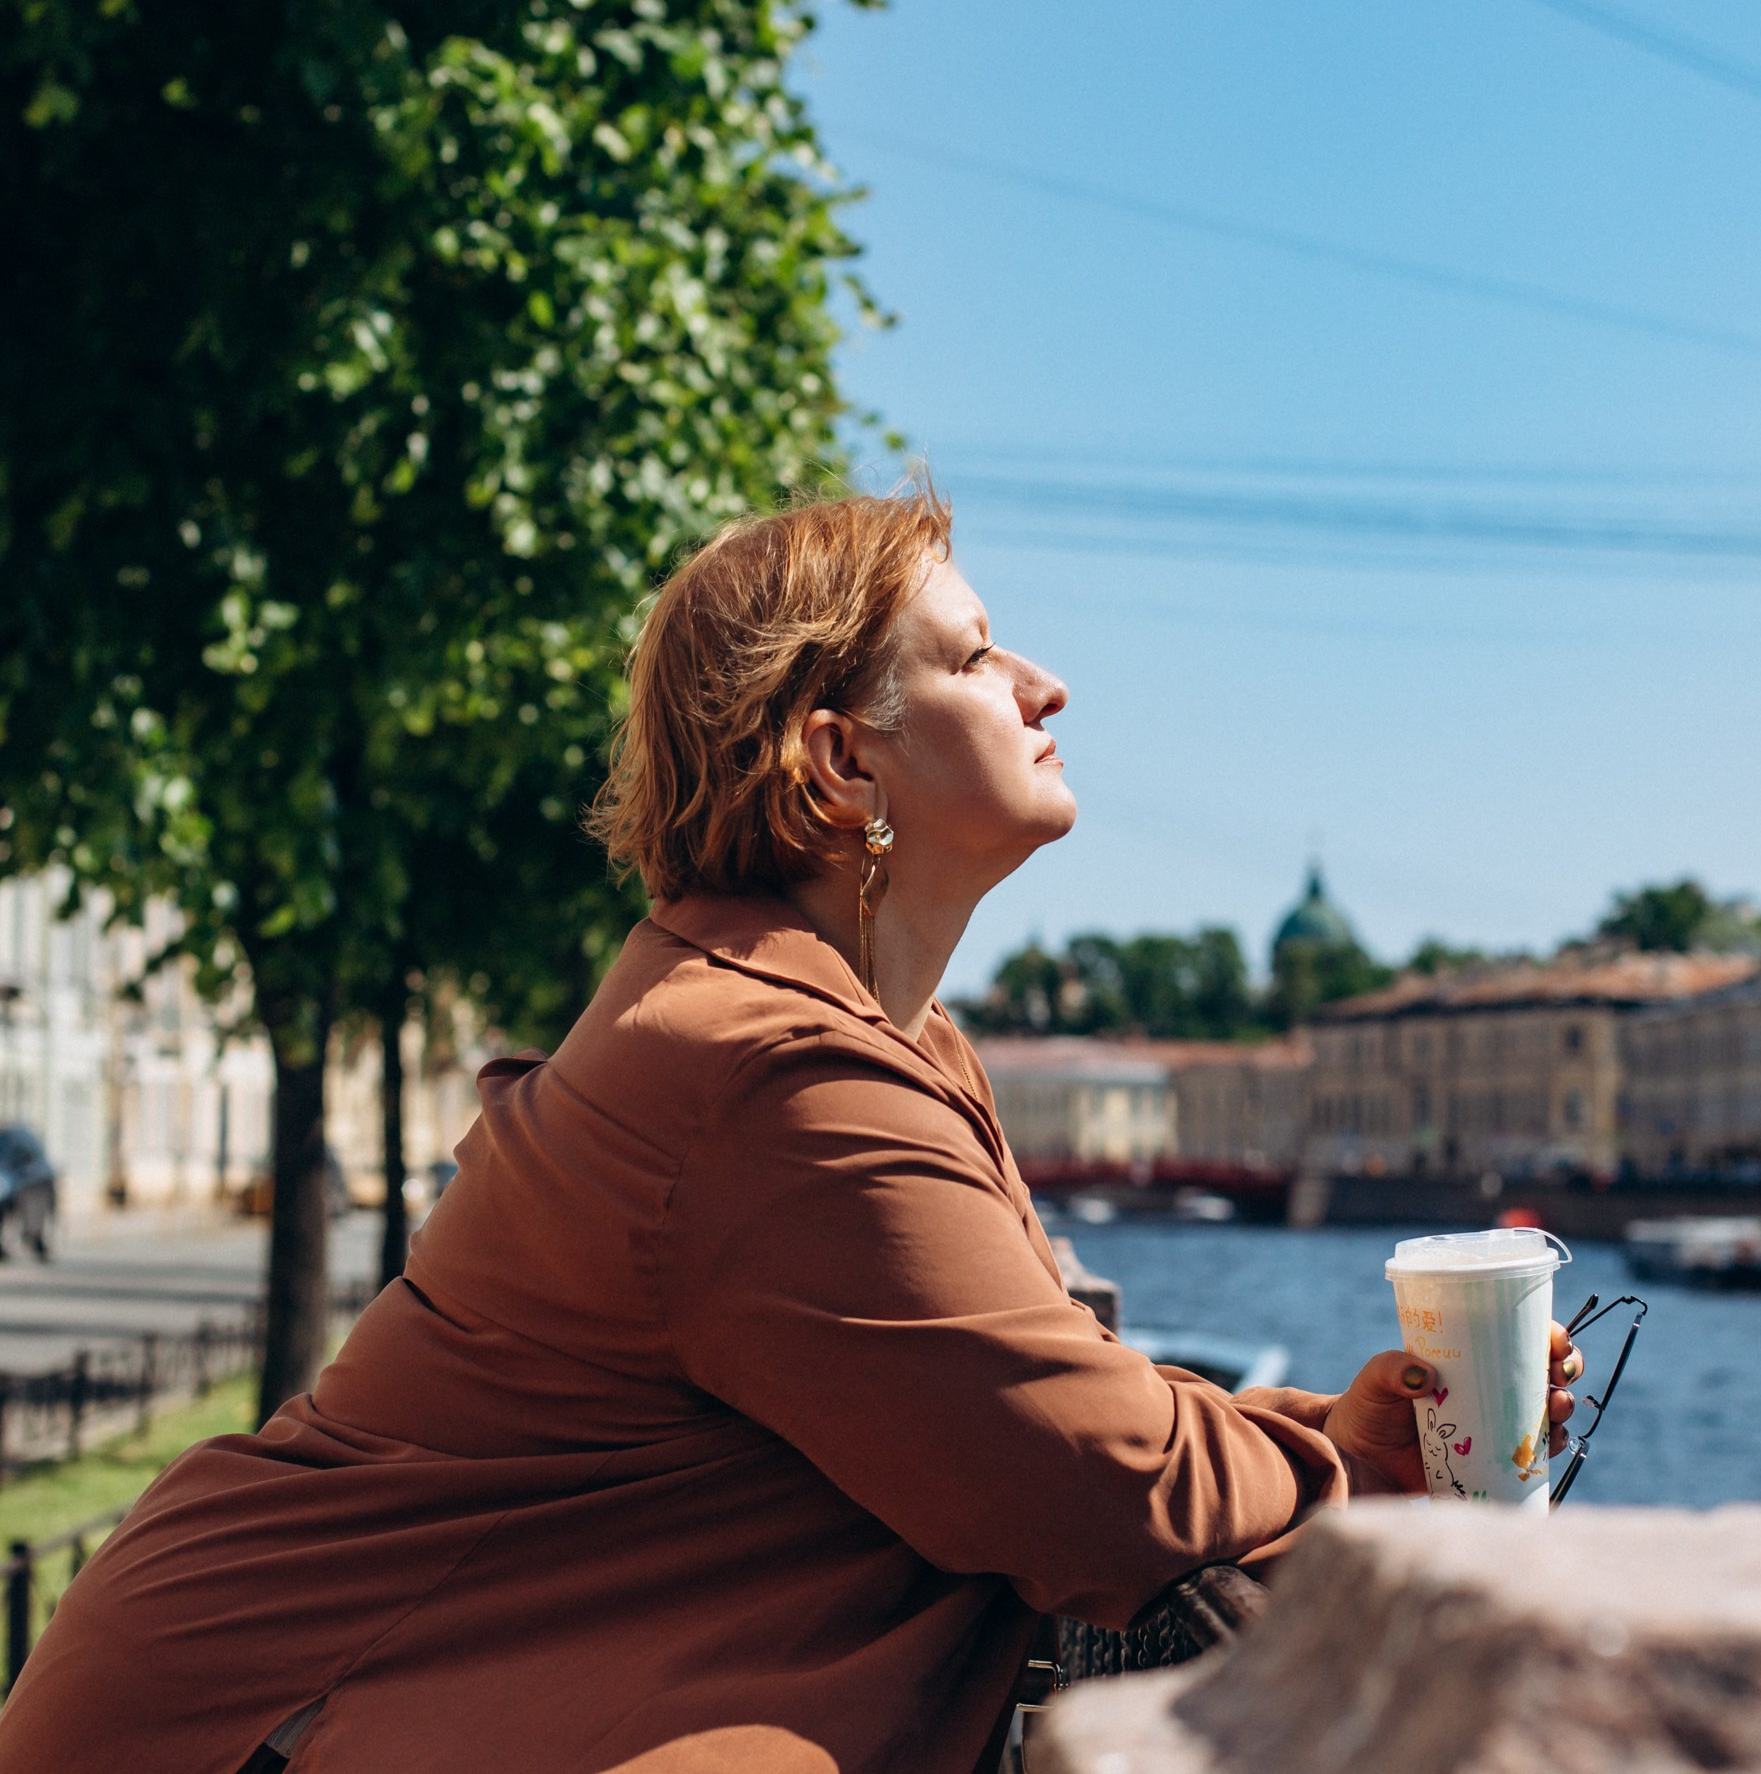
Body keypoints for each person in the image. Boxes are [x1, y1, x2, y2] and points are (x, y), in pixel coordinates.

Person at [0, 485, 1580, 1774]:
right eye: (973, 659)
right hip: (264, 1729)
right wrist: (1335, 1465)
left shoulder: (865, 1034)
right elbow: (1089, 1483)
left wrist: (1328, 1435)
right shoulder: (769, 1073)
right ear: (839, 763)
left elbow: (1011, 1390)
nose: (1045, 686)